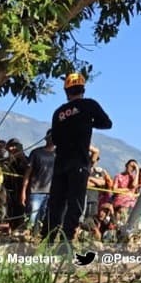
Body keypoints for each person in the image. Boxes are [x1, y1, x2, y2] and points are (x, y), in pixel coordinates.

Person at [45, 73, 112, 243]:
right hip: (79, 163)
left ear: (66, 92)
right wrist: (87, 122)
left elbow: (56, 138)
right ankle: (66, 241)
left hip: (60, 163)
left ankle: (47, 238)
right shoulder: (89, 105)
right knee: (75, 203)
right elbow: (107, 123)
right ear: (83, 89)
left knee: (56, 203)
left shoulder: (58, 112)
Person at [21, 131, 55, 234]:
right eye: (50, 136)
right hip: (35, 191)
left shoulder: (59, 155)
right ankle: (27, 235)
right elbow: (28, 172)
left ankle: (36, 237)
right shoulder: (36, 153)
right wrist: (23, 191)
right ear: (46, 138)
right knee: (32, 216)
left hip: (51, 192)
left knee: (43, 217)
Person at [3, 138, 30, 232]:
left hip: (21, 188)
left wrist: (20, 156)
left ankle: (19, 228)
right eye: (11, 146)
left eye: (15, 146)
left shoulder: (26, 160)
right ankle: (11, 227)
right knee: (10, 209)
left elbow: (28, 170)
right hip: (10, 188)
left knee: (21, 208)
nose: (13, 148)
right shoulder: (7, 161)